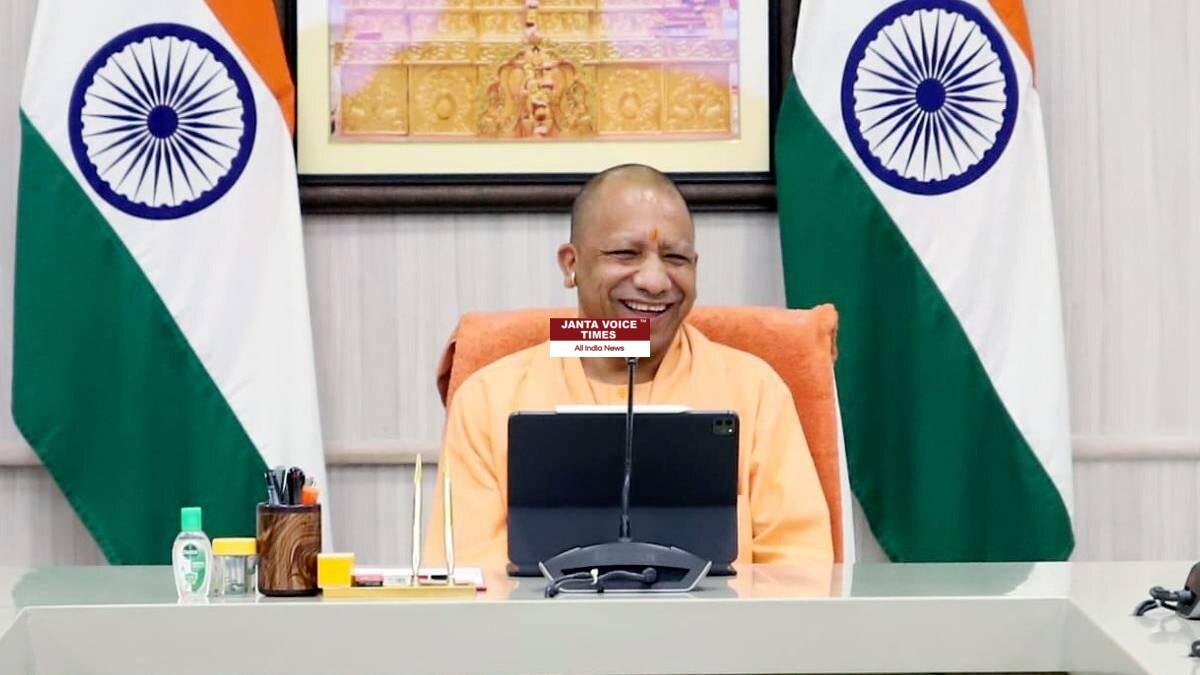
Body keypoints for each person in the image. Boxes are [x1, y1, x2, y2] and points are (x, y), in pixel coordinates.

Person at [423, 164, 832, 569]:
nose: (655, 281)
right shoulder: (488, 399)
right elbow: (470, 582)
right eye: (625, 254)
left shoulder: (755, 391)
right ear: (571, 264)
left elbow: (802, 571)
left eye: (675, 258)